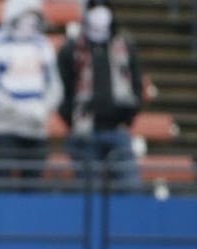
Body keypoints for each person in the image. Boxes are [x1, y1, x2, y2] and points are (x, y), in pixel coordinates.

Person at [58, 0, 143, 191]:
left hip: (117, 130)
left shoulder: (125, 48)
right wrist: (74, 122)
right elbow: (61, 91)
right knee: (90, 193)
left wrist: (127, 118)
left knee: (131, 188)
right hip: (84, 133)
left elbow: (136, 87)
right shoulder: (71, 50)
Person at [0, 0, 63, 180]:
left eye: (34, 17)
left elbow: (55, 85)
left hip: (36, 126)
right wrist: (16, 109)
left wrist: (42, 108)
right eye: (25, 16)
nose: (30, 22)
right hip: (4, 127)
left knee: (33, 186)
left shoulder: (43, 45)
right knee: (3, 186)